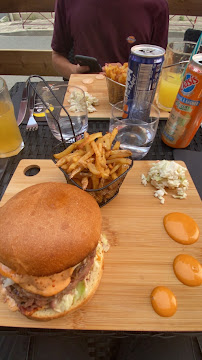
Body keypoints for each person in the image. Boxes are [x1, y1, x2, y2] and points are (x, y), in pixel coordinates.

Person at [51, 0, 169, 79]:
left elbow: (160, 62)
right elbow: (58, 55)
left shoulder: (156, 4)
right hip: (85, 96)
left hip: (135, 98)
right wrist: (74, 71)